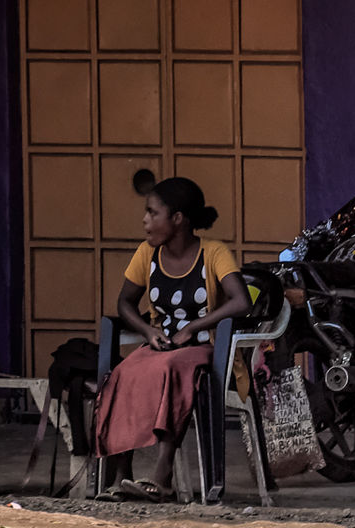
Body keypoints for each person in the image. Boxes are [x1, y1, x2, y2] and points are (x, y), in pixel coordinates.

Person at [94, 176, 253, 501]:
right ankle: (121, 476)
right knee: (124, 374)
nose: (145, 220)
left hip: (203, 349)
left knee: (170, 367)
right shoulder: (145, 254)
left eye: (153, 213)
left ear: (178, 219)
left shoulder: (213, 252)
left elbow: (241, 301)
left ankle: (162, 476)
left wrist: (194, 327)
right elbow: (124, 303)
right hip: (161, 347)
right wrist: (147, 330)